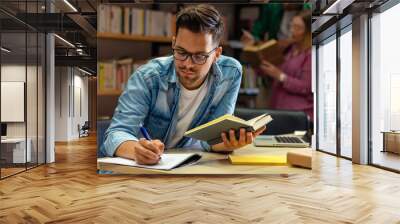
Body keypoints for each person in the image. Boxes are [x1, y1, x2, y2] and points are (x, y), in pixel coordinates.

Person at [102, 4, 266, 165]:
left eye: (200, 56)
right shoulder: (148, 77)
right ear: (173, 44)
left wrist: (227, 144)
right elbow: (115, 134)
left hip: (185, 165)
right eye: (181, 52)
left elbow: (211, 140)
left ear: (217, 54)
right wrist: (136, 149)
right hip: (140, 169)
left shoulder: (231, 73)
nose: (188, 64)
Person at [258, 10, 313, 121]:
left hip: (298, 115)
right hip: (279, 110)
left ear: (308, 31)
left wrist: (281, 76)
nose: (292, 31)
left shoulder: (311, 54)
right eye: (291, 26)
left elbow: (307, 87)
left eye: (298, 28)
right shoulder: (290, 49)